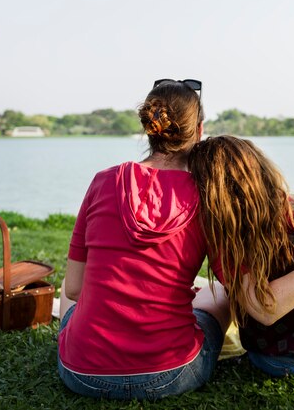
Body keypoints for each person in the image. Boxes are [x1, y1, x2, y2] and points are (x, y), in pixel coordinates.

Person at [57, 79, 231, 400]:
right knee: (219, 296)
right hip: (171, 372)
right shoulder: (207, 194)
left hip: (82, 372)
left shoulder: (103, 181)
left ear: (150, 128)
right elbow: (230, 281)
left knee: (68, 297)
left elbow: (73, 289)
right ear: (200, 129)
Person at [188, 135, 294, 378]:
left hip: (270, 360)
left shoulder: (227, 242)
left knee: (220, 291)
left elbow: (263, 309)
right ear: (261, 167)